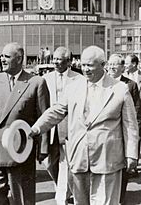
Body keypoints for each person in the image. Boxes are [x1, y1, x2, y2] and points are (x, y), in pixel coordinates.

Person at [30, 45, 139, 205]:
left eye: (90, 65)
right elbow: (56, 111)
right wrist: (36, 128)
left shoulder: (119, 89)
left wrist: (131, 154)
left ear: (103, 65)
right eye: (83, 64)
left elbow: (130, 125)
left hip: (107, 158)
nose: (85, 69)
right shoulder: (73, 87)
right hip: (78, 157)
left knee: (105, 202)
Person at [0, 42, 50, 205]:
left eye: (7, 56)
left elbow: (44, 118)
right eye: (2, 56)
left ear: (19, 59)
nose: (2, 59)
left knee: (21, 198)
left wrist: (42, 149)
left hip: (20, 150)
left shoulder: (36, 82)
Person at [43, 46, 81, 205]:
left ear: (69, 62)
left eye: (60, 60)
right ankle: (63, 188)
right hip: (50, 128)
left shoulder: (78, 79)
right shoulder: (46, 78)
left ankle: (62, 197)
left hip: (69, 128)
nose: (56, 62)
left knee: (65, 164)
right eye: (55, 59)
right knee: (50, 163)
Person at [107, 53, 139, 204]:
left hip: (124, 131)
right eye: (110, 64)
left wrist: (134, 134)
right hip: (108, 133)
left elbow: (137, 111)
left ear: (122, 67)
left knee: (123, 166)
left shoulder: (130, 85)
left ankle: (120, 197)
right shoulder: (103, 83)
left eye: (115, 64)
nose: (112, 67)